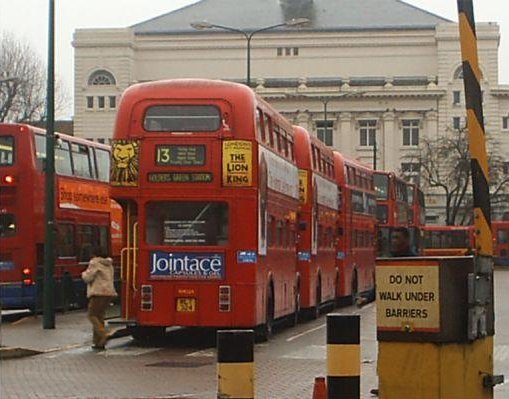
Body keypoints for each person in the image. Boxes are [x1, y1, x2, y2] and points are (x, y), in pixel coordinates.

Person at [81, 246, 117, 351]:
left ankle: (103, 333)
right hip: (109, 292)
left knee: (91, 315)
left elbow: (88, 278)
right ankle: (99, 343)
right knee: (99, 316)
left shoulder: (95, 262)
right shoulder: (109, 264)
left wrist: (83, 273)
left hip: (98, 292)